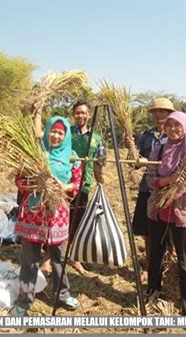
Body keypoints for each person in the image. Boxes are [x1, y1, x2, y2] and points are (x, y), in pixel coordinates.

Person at [11, 116, 82, 317]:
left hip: (57, 213)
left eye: (61, 133)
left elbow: (76, 185)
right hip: (33, 213)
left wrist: (62, 186)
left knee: (59, 257)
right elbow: (19, 179)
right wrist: (35, 186)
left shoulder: (72, 156)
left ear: (66, 136)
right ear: (47, 131)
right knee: (29, 259)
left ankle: (62, 294)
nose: (56, 136)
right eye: (53, 131)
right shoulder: (34, 154)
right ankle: (24, 300)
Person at [145, 111, 186, 316]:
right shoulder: (159, 148)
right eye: (169, 125)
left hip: (184, 213)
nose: (173, 129)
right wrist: (169, 181)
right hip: (159, 210)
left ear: (185, 127)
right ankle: (152, 295)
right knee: (155, 255)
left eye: (177, 125)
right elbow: (149, 179)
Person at [124, 97, 175, 282]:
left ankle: (169, 264)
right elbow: (136, 164)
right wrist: (132, 149)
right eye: (156, 111)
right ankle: (149, 266)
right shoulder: (145, 136)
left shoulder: (175, 134)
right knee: (148, 231)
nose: (160, 115)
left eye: (163, 111)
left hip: (170, 189)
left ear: (170, 114)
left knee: (170, 231)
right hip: (149, 187)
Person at [68, 99, 105, 275]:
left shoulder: (96, 137)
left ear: (89, 115)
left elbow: (99, 162)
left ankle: (74, 257)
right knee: (60, 218)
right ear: (73, 114)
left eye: (84, 112)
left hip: (84, 183)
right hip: (64, 182)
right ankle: (52, 256)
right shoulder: (67, 133)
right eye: (77, 112)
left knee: (78, 218)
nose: (80, 115)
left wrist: (101, 181)